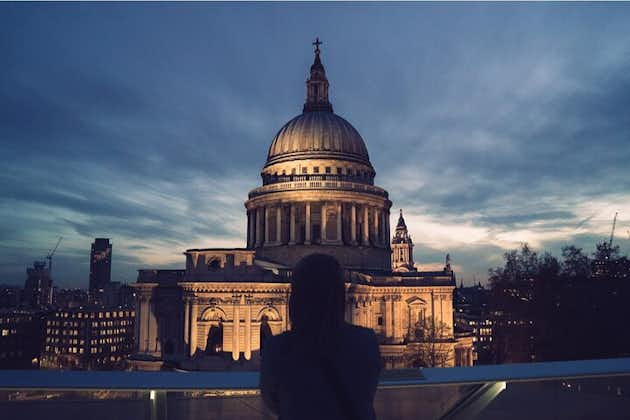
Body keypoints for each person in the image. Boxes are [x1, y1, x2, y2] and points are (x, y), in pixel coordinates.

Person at [260, 253, 382, 420]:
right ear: (340, 295)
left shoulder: (277, 348)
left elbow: (272, 402)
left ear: (296, 298)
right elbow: (367, 392)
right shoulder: (365, 341)